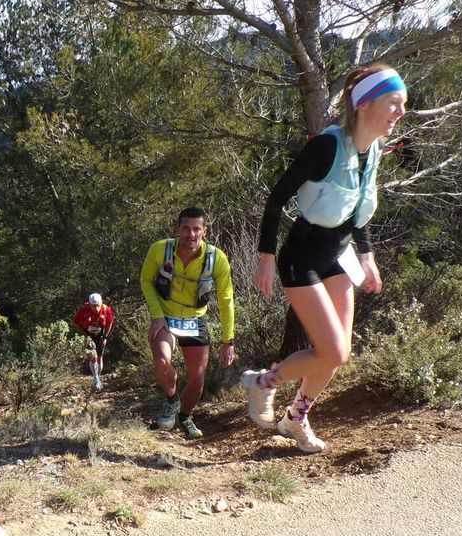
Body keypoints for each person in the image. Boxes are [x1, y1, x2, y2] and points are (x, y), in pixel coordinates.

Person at [242, 64, 407, 453]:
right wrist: (266, 255)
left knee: (336, 356)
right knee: (331, 350)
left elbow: (357, 209)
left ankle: (294, 419)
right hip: (302, 256)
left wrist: (366, 255)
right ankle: (263, 382)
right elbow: (276, 198)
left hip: (339, 255)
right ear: (365, 104)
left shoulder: (373, 150)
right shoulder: (327, 146)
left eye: (403, 104)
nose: (400, 112)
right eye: (393, 103)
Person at [140, 207, 236, 439]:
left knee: (198, 380)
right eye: (186, 228)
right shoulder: (160, 250)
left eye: (196, 229)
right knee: (162, 361)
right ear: (178, 229)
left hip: (195, 320)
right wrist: (157, 315)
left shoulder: (217, 258)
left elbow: (226, 300)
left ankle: (185, 416)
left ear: (204, 231)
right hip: (166, 316)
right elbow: (146, 280)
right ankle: (172, 400)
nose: (190, 234)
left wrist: (228, 341)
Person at [73, 292, 114, 390]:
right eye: (93, 306)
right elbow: (75, 322)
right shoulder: (84, 310)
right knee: (93, 356)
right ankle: (96, 379)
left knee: (100, 357)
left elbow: (109, 323)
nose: (95, 308)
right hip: (88, 335)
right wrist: (86, 336)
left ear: (101, 303)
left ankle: (97, 378)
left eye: (97, 306)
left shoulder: (106, 309)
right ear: (89, 304)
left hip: (100, 335)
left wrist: (105, 337)